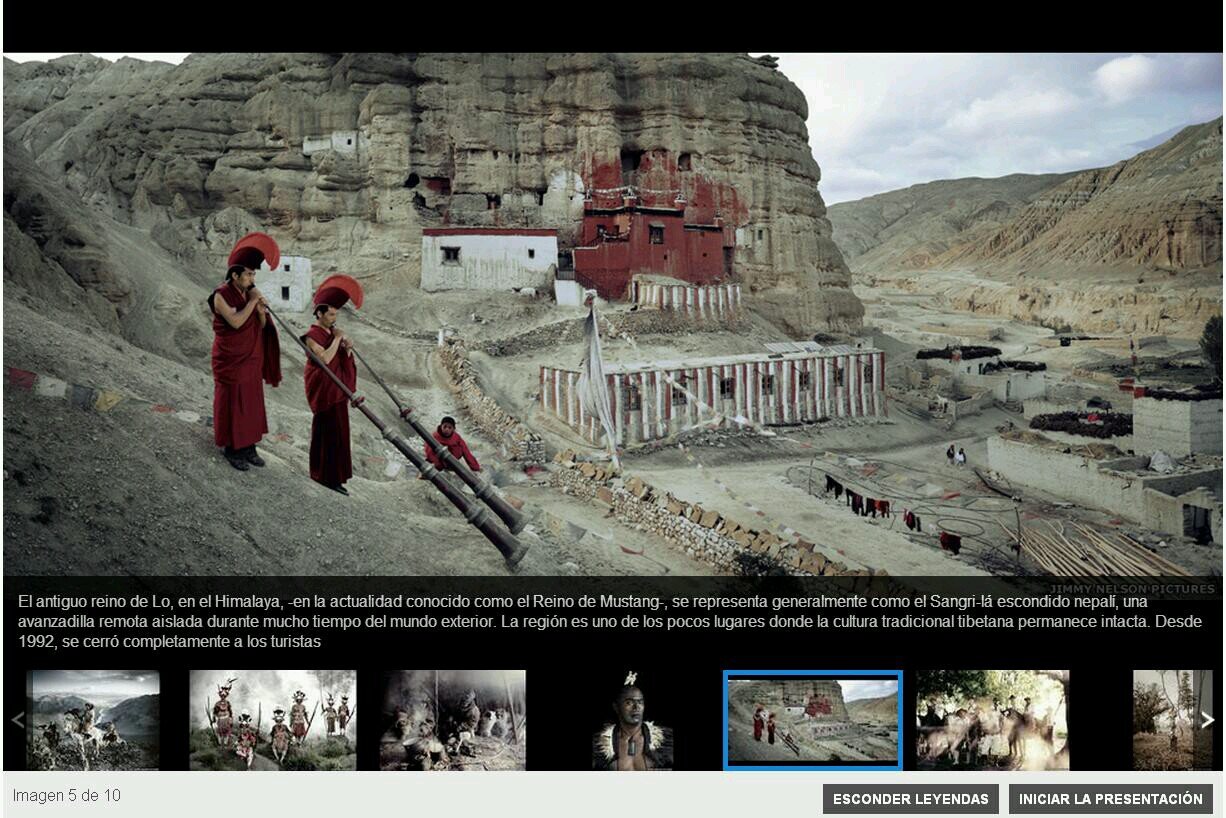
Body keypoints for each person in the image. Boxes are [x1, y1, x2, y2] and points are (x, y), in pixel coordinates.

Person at [209, 234, 281, 471]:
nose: (252, 279)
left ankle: (249, 447)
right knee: (233, 401)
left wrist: (261, 309)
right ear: (235, 275)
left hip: (250, 357)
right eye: (248, 274)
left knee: (251, 402)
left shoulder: (247, 293)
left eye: (253, 275)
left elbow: (259, 326)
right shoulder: (221, 295)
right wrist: (252, 302)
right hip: (230, 358)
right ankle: (232, 448)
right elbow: (236, 322)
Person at [302, 286, 358, 495]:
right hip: (324, 392)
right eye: (331, 314)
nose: (334, 318)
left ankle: (335, 477)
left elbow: (341, 358)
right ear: (319, 313)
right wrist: (337, 339)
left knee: (340, 435)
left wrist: (347, 347)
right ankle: (321, 475)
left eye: (336, 314)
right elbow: (324, 359)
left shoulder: (332, 333)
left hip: (337, 390)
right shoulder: (311, 335)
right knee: (326, 433)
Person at [593, 671, 673, 770]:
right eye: (629, 702)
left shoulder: (667, 740)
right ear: (616, 707)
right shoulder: (598, 746)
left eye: (640, 702)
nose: (636, 707)